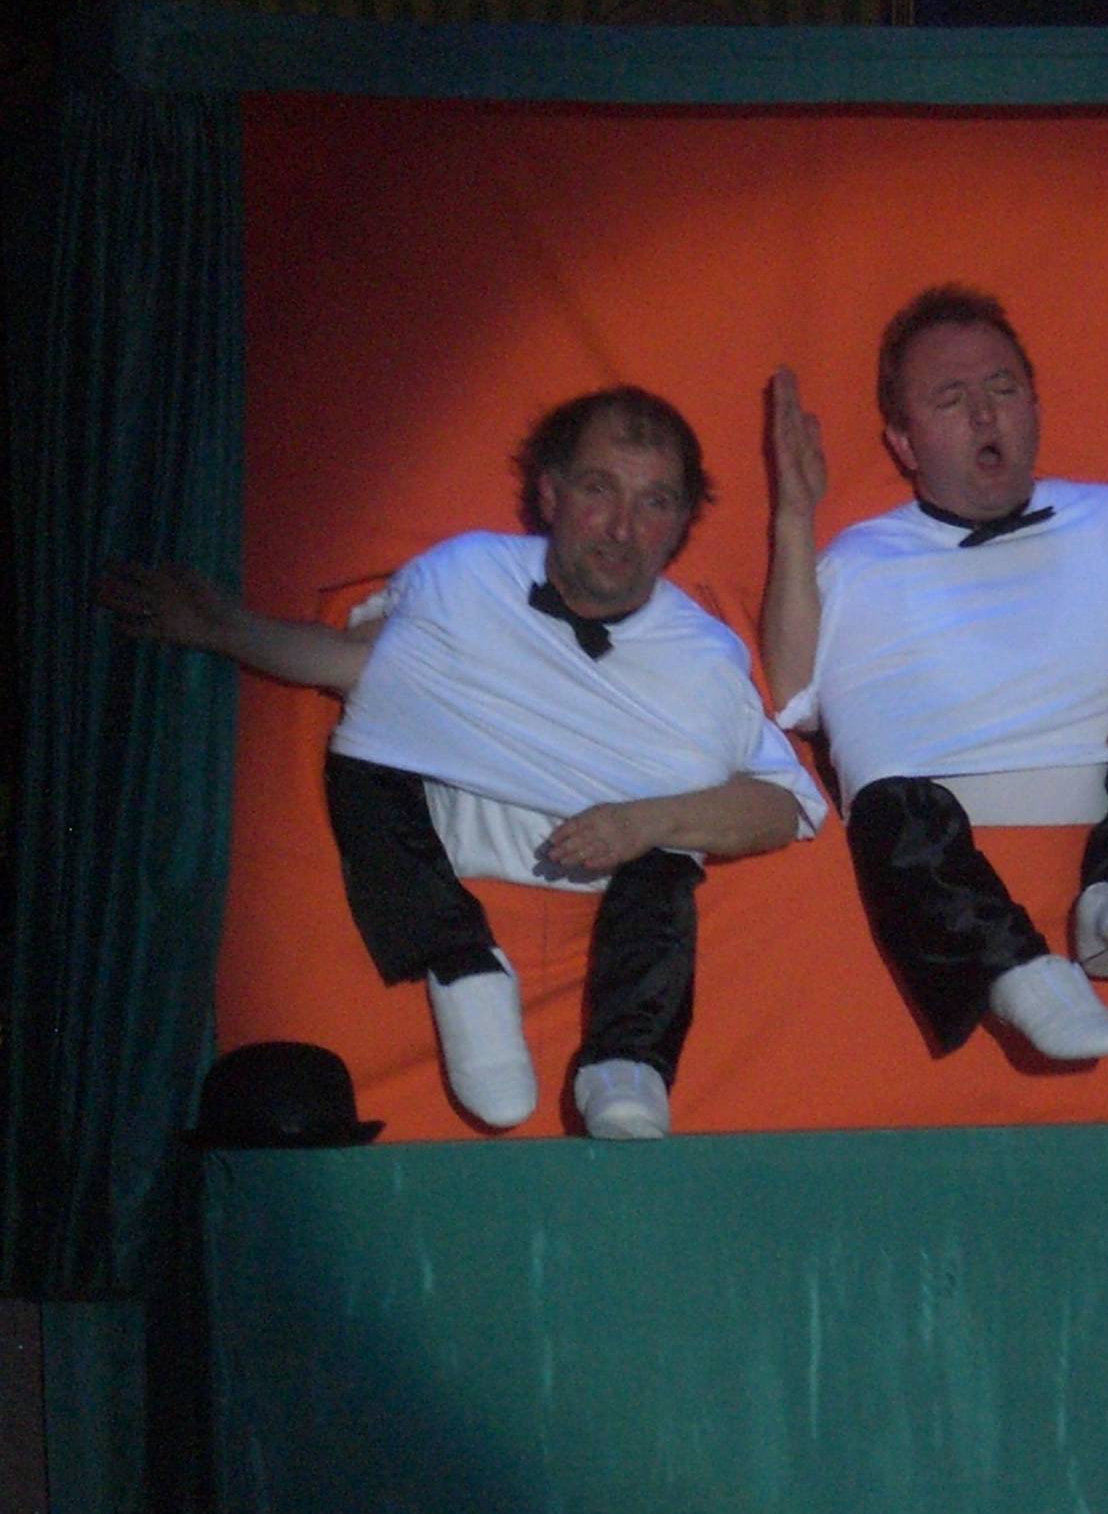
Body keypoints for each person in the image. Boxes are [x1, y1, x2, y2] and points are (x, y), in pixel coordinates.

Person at [100, 387, 826, 1138]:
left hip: (619, 855)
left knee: (669, 858)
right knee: (364, 758)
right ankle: (463, 966)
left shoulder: (703, 658)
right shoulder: (466, 577)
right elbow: (360, 667)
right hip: (449, 831)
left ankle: (627, 1063)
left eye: (654, 502)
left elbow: (784, 805)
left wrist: (646, 821)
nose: (621, 527)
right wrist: (225, 628)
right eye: (598, 488)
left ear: (680, 524)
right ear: (550, 493)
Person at [762, 285, 1108, 1062]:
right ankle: (1019, 975)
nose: (983, 415)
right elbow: (791, 693)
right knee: (898, 822)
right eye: (949, 399)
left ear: (1034, 406)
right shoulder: (859, 559)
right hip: (939, 800)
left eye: (1002, 390)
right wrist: (794, 517)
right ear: (903, 443)